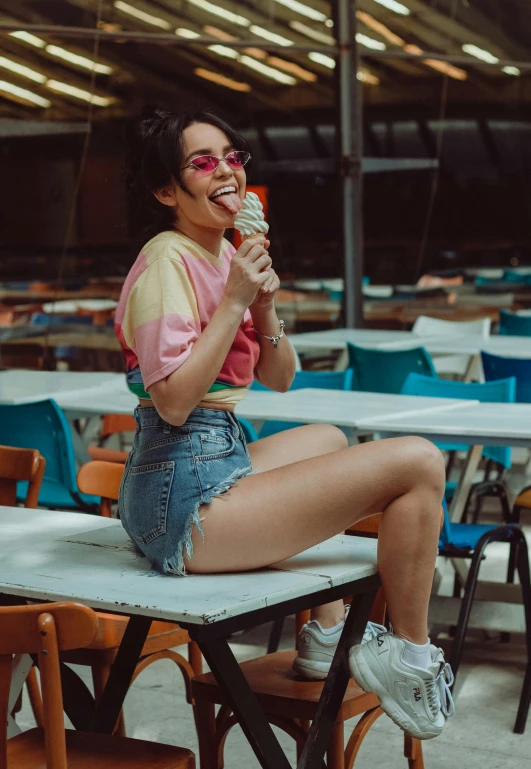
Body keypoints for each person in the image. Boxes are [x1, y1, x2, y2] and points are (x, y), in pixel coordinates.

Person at [115, 105, 454, 741]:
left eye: (233, 157)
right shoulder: (167, 260)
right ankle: (411, 656)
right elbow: (174, 404)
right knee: (419, 461)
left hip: (200, 467)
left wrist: (262, 304)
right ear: (166, 191)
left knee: (327, 439)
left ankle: (326, 638)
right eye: (203, 162)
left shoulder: (221, 255)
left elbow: (280, 376)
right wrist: (235, 301)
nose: (227, 172)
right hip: (182, 500)